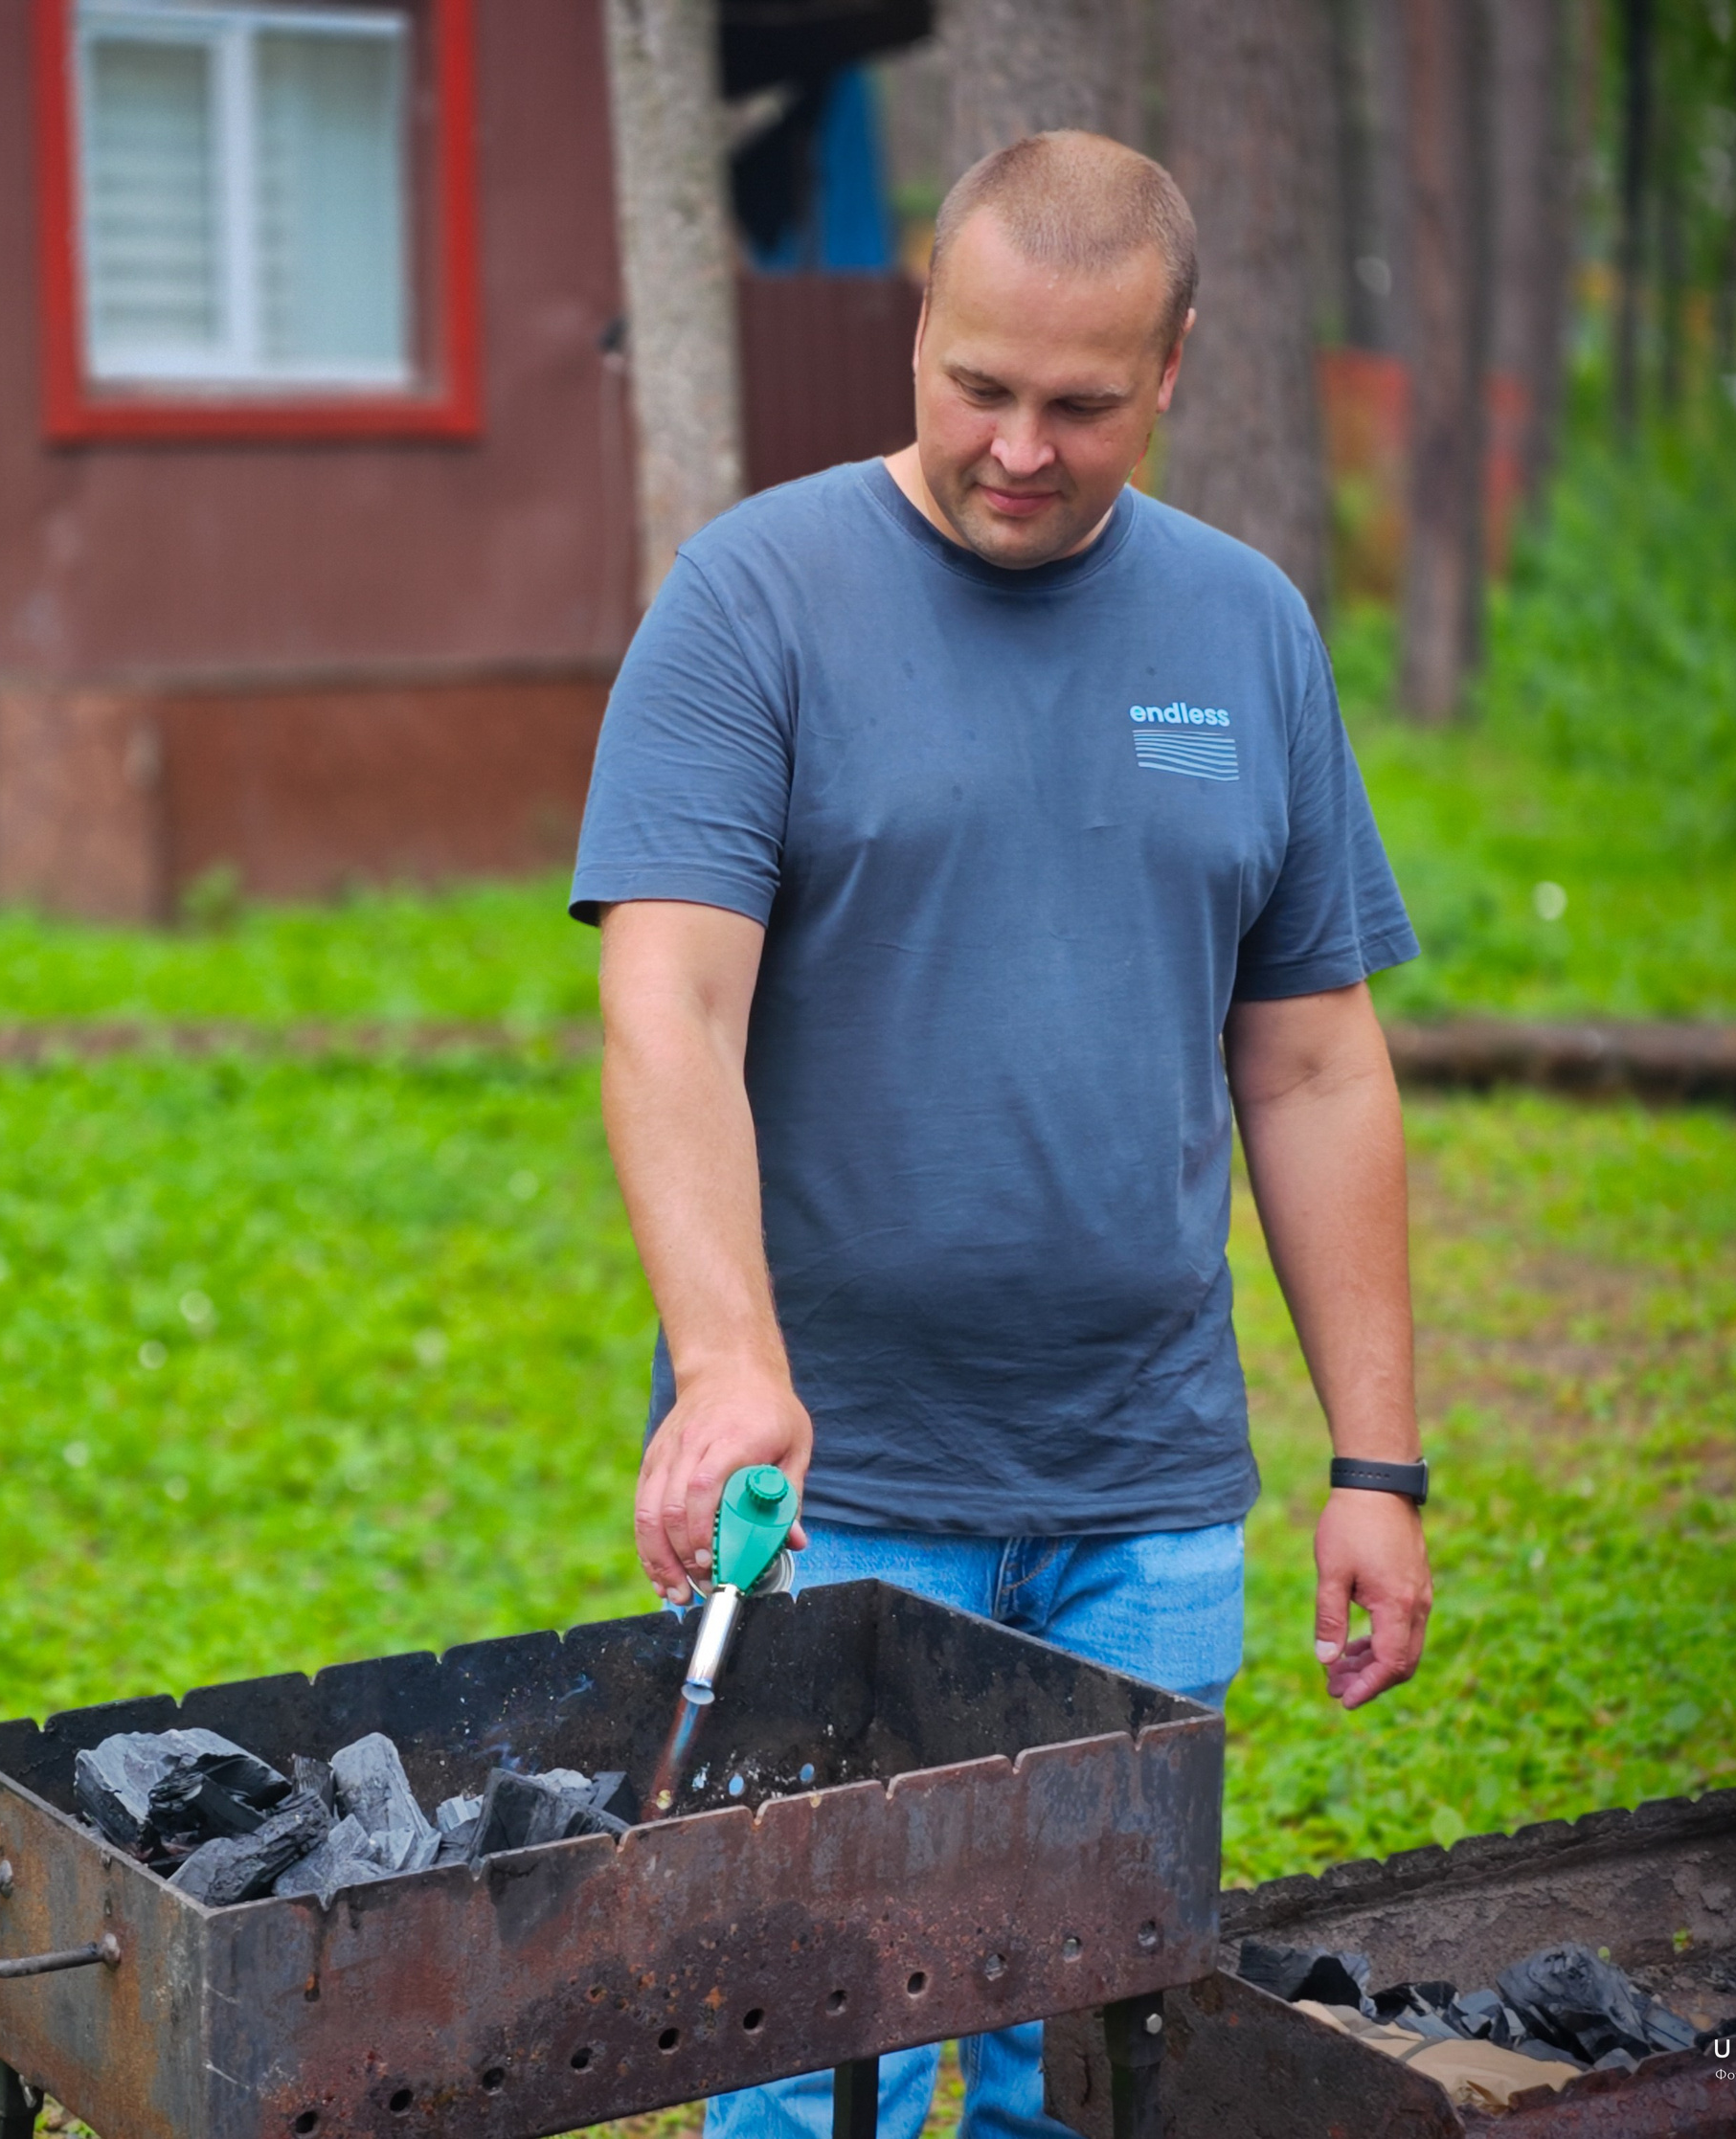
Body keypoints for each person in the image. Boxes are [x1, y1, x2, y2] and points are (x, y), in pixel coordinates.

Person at [571, 131, 1433, 2139]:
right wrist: (723, 1367)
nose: (1017, 448)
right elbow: (666, 1002)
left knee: (1091, 2056)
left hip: (1141, 1497)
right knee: (802, 2057)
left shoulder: (1243, 633)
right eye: (977, 385)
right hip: (833, 1488)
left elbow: (1312, 1067)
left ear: (1174, 368)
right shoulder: (753, 600)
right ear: (918, 328)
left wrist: (1373, 1459)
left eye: (1077, 402)